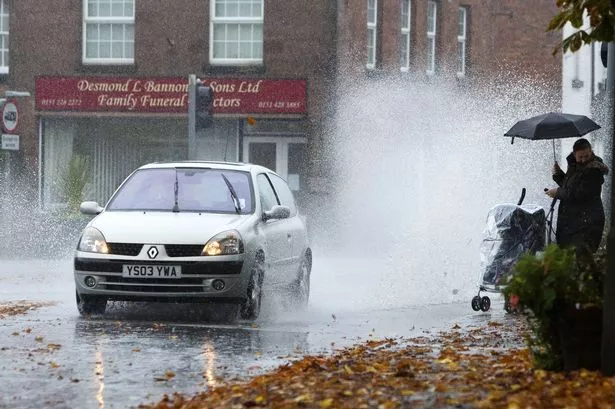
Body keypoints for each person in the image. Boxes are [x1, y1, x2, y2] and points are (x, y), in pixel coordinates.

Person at [545, 138, 609, 271]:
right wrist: (558, 174)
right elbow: (569, 187)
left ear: (591, 151)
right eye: (581, 156)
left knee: (581, 265)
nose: (584, 159)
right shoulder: (575, 166)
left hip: (586, 224)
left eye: (587, 155)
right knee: (569, 264)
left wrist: (557, 193)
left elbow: (579, 194)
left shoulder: (594, 171)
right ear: (574, 154)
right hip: (572, 223)